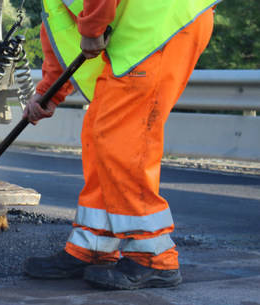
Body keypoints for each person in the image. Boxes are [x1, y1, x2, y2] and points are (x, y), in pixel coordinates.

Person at [22, 0, 218, 289]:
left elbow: (86, 21)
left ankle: (154, 256)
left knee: (123, 139)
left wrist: (91, 28)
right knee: (99, 134)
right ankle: (94, 246)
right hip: (141, 30)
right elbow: (60, 25)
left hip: (159, 25)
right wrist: (50, 90)